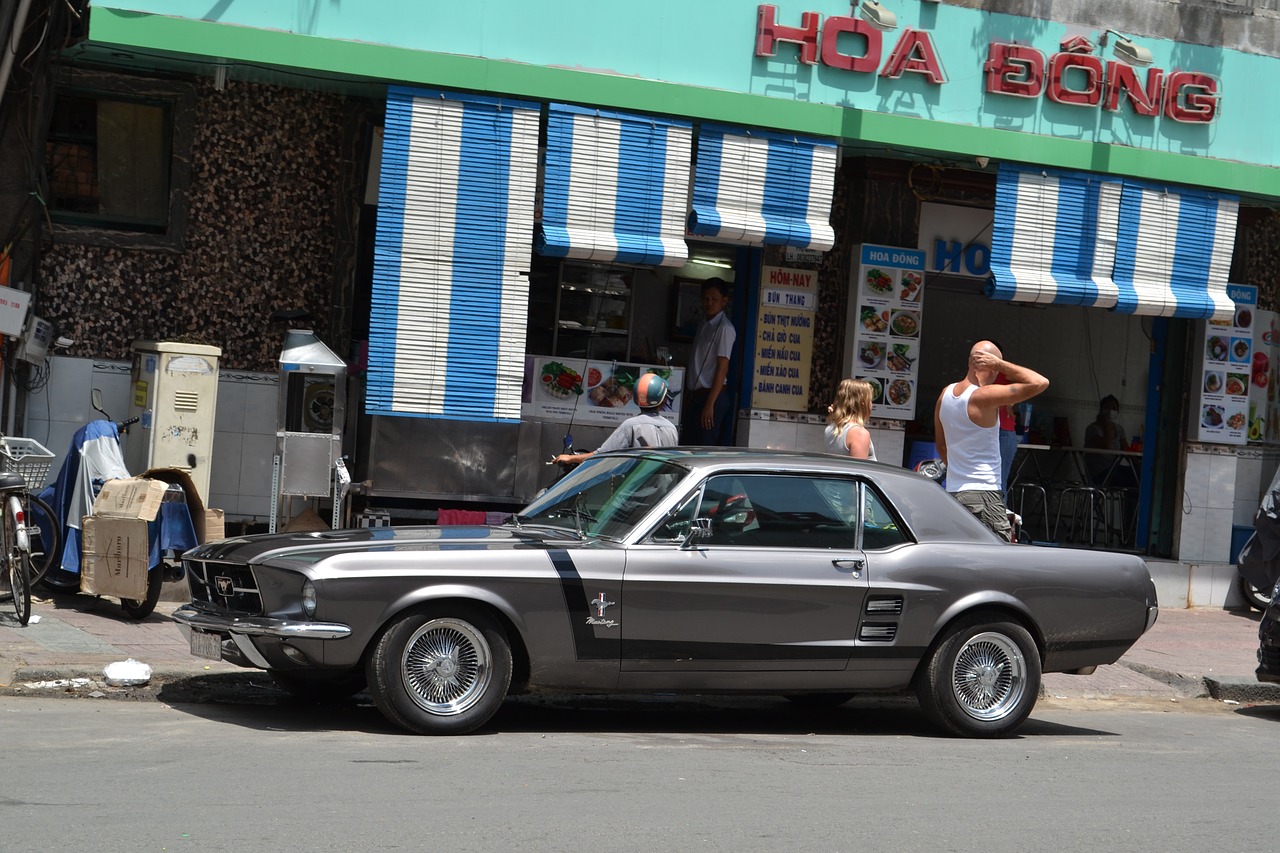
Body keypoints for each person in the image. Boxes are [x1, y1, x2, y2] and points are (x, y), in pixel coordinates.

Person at [933, 341, 1049, 541]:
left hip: (954, 491)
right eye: (995, 367)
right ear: (988, 365)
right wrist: (1001, 364)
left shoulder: (945, 394)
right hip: (983, 493)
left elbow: (941, 446)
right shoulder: (982, 395)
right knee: (997, 559)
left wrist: (961, 473)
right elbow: (1040, 383)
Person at [553, 372, 678, 465]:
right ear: (663, 401)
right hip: (665, 495)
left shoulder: (631, 426)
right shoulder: (671, 429)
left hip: (634, 494)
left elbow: (601, 456)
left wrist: (570, 458)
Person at [682, 278, 736, 445]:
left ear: (724, 301)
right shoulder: (704, 325)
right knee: (688, 443)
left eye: (715, 299)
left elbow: (722, 368)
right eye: (706, 299)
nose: (709, 303)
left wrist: (710, 404)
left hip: (712, 396)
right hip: (696, 395)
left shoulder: (725, 328)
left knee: (703, 447)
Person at [1084, 394, 1137, 487]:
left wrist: (1138, 465)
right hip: (1098, 472)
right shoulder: (1092, 429)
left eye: (1114, 408)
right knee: (1128, 481)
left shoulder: (1119, 429)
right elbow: (1106, 446)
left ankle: (1132, 501)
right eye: (1107, 407)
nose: (1110, 410)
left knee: (1137, 476)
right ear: (1101, 410)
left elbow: (1127, 451)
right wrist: (1106, 425)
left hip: (1113, 469)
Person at [825, 378, 877, 460]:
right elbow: (858, 470)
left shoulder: (831, 429)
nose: (871, 405)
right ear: (862, 403)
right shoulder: (859, 433)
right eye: (869, 400)